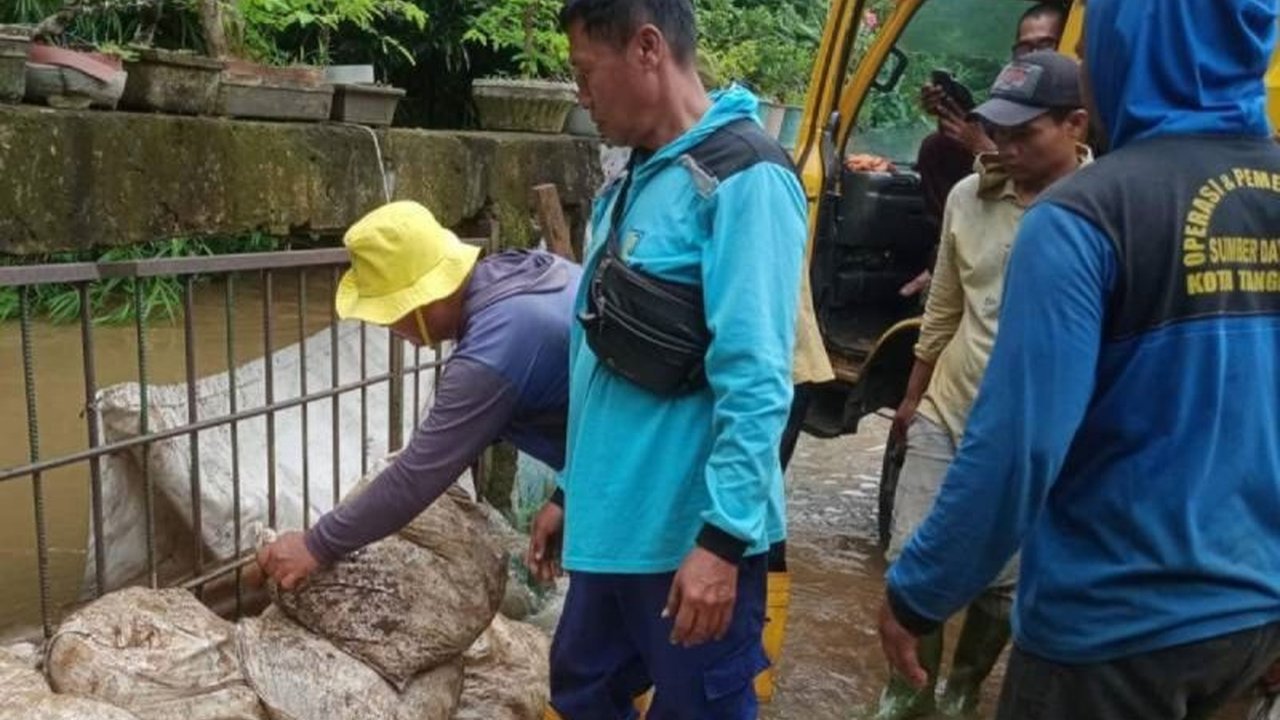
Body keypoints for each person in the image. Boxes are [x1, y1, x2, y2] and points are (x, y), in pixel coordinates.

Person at [879, 1, 1280, 718]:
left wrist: (919, 593)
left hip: (1109, 631)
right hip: (1251, 623)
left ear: (1135, 49)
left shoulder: (1082, 216)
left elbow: (1018, 449)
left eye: (1094, 52)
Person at [535, 0, 805, 716]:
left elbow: (757, 380)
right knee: (581, 690)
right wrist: (569, 491)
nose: (580, 94)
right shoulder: (629, 184)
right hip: (612, 529)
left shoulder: (745, 178)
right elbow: (604, 366)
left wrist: (721, 543)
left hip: (688, 541)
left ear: (648, 48)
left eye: (586, 72)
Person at [876, 51, 1090, 720]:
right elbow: (944, 305)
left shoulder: (1102, 209)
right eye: (1000, 131)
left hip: (1037, 428)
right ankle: (910, 696)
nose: (1007, 147)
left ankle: (963, 690)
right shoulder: (970, 196)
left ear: (1076, 125)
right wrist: (913, 399)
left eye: (1027, 134)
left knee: (1004, 584)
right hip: (953, 403)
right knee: (913, 557)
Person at [255, 200, 580, 587]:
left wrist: (315, 544)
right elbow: (603, 413)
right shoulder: (518, 273)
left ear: (421, 301)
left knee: (604, 639)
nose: (391, 329)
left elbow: (416, 476)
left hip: (648, 495)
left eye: (389, 315)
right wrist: (567, 496)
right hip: (627, 466)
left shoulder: (491, 354)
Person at [903, 2, 1067, 298]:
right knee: (936, 148)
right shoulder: (1011, 95)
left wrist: (988, 150)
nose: (1034, 58)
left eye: (1046, 46)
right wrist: (948, 115)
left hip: (1033, 247)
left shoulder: (1078, 108)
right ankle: (944, 261)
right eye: (1025, 49)